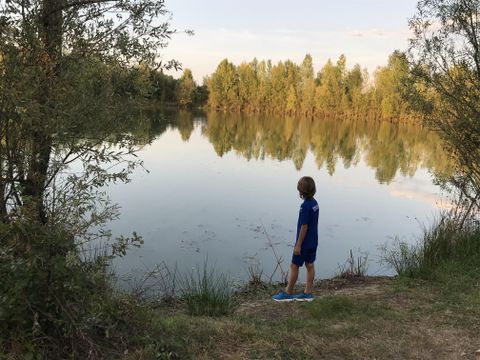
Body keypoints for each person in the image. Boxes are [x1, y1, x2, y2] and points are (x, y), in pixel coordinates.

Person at [273, 176, 319, 302]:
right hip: (313, 241)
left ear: (301, 191)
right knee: (310, 264)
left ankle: (288, 293)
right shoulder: (315, 204)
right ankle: (308, 293)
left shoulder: (305, 207)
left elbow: (304, 227)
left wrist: (298, 245)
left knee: (294, 266)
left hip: (304, 243)